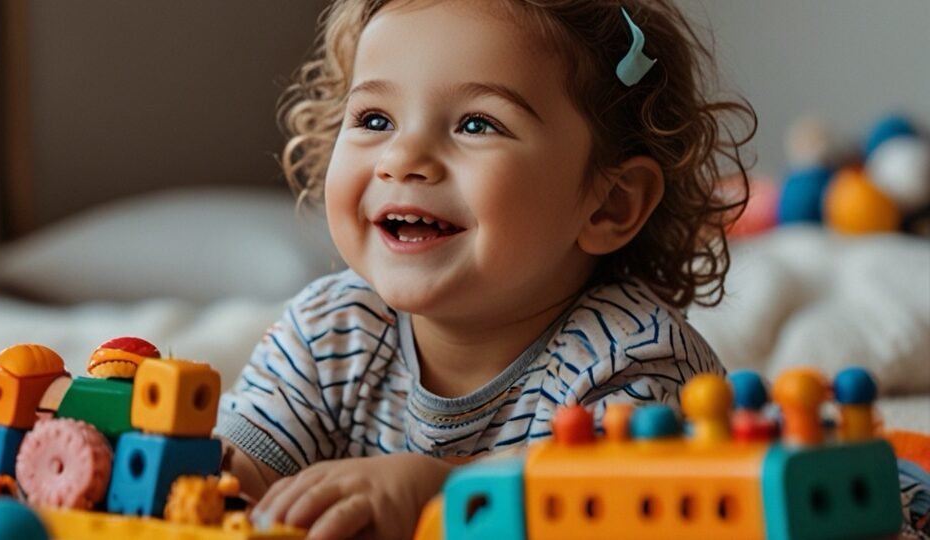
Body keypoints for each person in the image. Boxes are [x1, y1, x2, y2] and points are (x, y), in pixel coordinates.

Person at [215, 0, 755, 538]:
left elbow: (619, 506)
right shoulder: (329, 329)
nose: (403, 158)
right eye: (375, 119)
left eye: (476, 124)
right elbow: (241, 476)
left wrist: (442, 494)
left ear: (609, 202)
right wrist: (181, 467)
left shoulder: (633, 359)